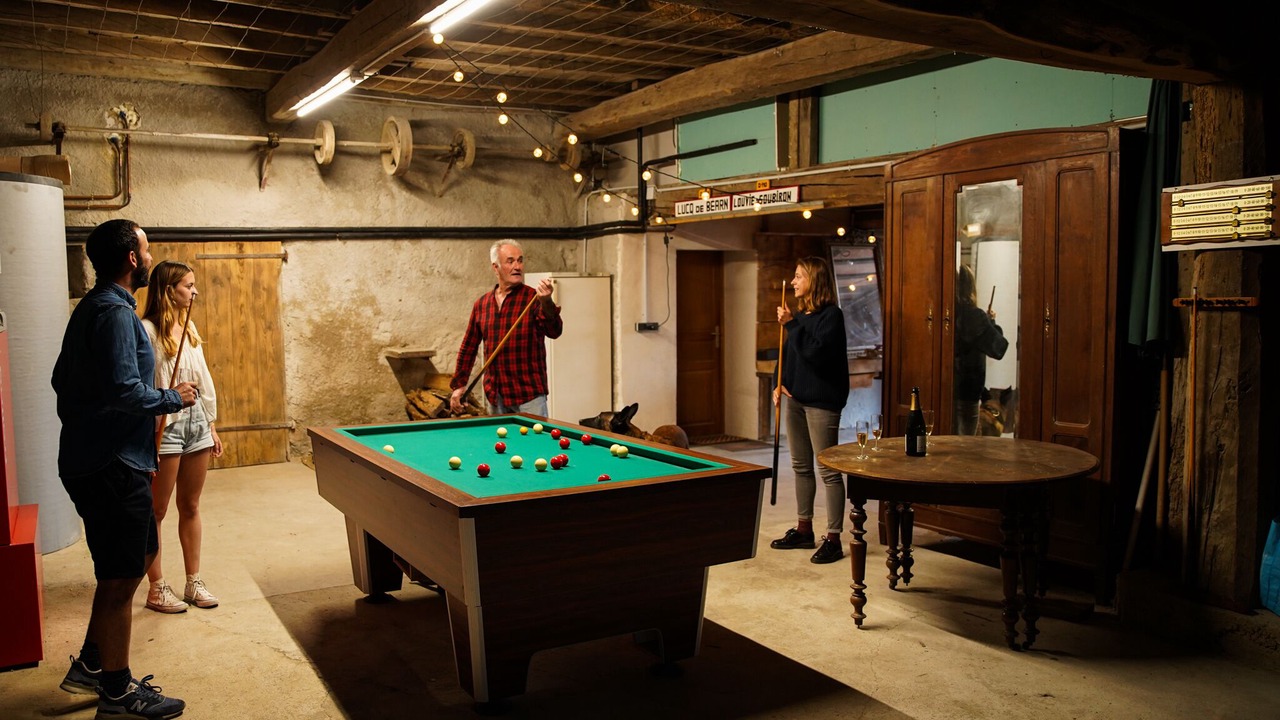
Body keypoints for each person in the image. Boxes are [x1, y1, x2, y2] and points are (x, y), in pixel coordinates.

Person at [52, 219, 196, 719]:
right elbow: (123, 391)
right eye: (147, 249)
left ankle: (92, 664)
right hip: (112, 464)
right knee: (119, 578)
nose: (151, 255)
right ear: (132, 259)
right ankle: (115, 693)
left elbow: (59, 380)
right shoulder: (115, 315)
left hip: (97, 459)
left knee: (137, 556)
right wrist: (171, 398)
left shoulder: (91, 309)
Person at [140, 260, 223, 613]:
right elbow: (144, 383)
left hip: (196, 425)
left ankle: (193, 582)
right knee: (155, 511)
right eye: (188, 286)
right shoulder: (146, 330)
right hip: (166, 426)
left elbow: (202, 379)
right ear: (168, 289)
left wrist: (212, 424)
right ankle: (156, 587)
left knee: (190, 506)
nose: (194, 292)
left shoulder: (189, 329)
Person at [769, 257, 850, 564]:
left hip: (822, 402)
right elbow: (789, 353)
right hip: (796, 399)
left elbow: (815, 354)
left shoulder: (832, 317)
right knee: (801, 467)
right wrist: (780, 382)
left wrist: (790, 323)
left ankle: (833, 538)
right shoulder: (799, 316)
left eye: (799, 276)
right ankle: (804, 530)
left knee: (828, 471)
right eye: (794, 275)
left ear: (814, 280)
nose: (793, 281)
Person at [449, 239, 563, 416]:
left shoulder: (533, 298)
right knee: (500, 443)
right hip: (496, 396)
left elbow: (554, 331)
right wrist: (459, 386)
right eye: (510, 261)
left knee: (534, 444)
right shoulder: (482, 304)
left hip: (529, 397)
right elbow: (468, 348)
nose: (517, 266)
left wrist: (547, 302)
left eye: (520, 260)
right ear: (496, 267)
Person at [953, 264, 1009, 436]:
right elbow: (999, 348)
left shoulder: (950, 312)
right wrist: (992, 323)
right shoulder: (974, 316)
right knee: (964, 448)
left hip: (947, 389)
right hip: (967, 393)